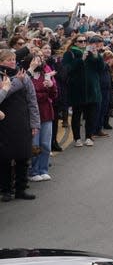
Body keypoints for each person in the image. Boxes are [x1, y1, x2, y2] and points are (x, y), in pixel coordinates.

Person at [0, 50, 40, 202]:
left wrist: (35, 123)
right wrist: (19, 81)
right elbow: (4, 92)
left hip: (22, 122)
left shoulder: (23, 75)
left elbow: (32, 101)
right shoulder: (19, 78)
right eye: (9, 60)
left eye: (13, 59)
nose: (12, 62)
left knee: (23, 157)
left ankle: (21, 189)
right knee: (4, 159)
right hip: (3, 124)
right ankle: (5, 190)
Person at [63, 34, 104, 147]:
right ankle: (77, 138)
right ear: (75, 42)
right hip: (77, 90)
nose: (83, 43)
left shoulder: (92, 52)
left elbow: (101, 69)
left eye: (85, 41)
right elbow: (67, 69)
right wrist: (81, 60)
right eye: (80, 41)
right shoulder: (70, 53)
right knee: (77, 115)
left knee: (91, 115)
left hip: (92, 89)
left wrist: (97, 56)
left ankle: (89, 137)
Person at [24, 51, 58, 182]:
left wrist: (51, 86)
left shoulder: (46, 75)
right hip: (32, 114)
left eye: (39, 60)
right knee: (34, 144)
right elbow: (27, 95)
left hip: (46, 112)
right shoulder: (26, 75)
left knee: (45, 144)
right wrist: (43, 94)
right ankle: (33, 170)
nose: (38, 62)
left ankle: (43, 169)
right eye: (35, 60)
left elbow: (54, 95)